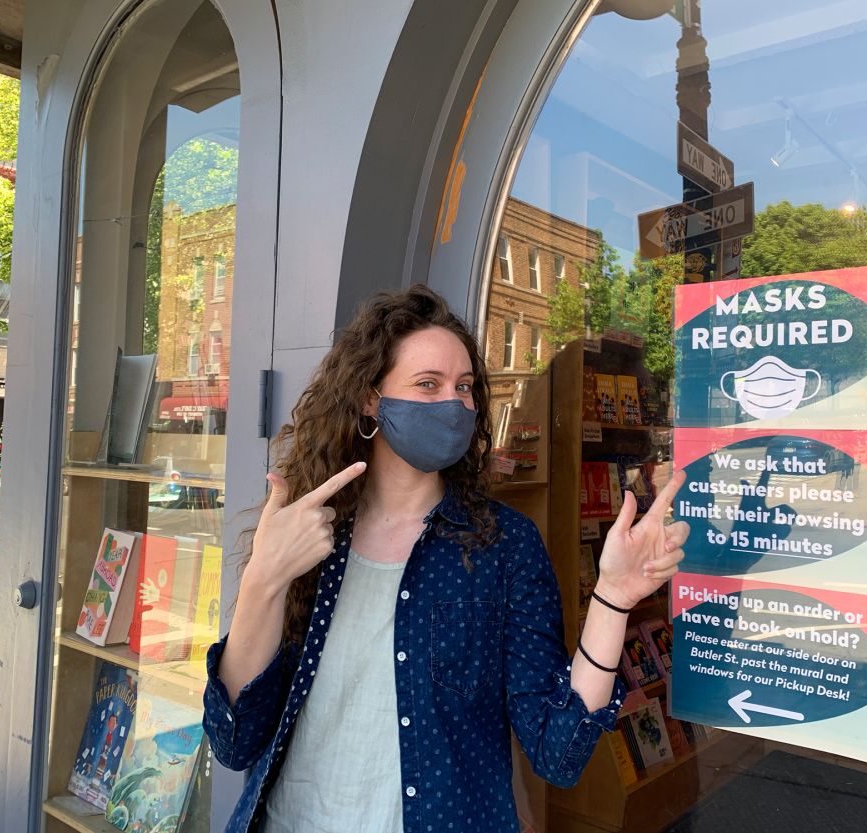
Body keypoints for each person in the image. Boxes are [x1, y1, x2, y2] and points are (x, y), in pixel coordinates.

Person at [201, 285, 688, 833]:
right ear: (370, 398)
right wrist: (265, 577)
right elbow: (234, 740)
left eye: (464, 388)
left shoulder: (504, 545)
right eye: (427, 384)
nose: (452, 405)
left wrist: (612, 601)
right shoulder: (309, 532)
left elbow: (558, 753)